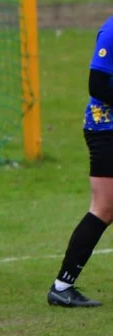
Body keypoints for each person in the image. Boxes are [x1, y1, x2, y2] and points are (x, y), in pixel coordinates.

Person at [48, 15, 113, 308]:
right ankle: (62, 286)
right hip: (105, 129)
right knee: (103, 208)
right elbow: (97, 86)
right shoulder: (111, 31)